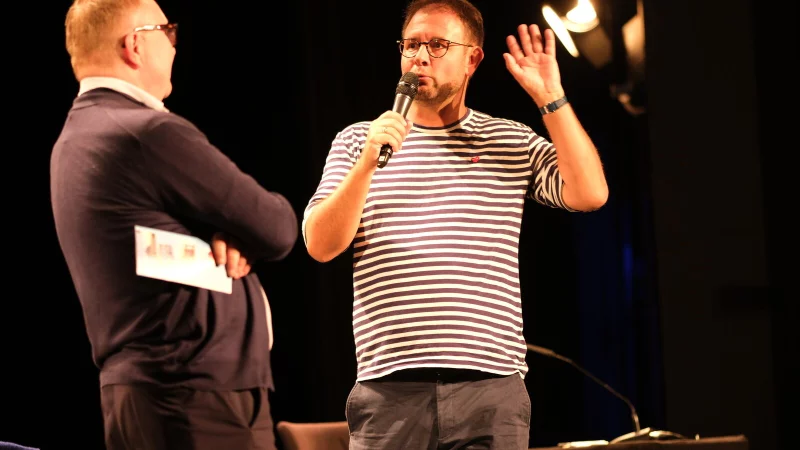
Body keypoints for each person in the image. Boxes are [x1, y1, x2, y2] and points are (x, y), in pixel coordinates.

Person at [302, 0, 608, 448]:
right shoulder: (357, 141)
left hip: (490, 385)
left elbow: (589, 193)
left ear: (473, 59)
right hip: (389, 388)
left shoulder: (509, 140)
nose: (420, 57)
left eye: (438, 45)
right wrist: (367, 163)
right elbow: (320, 245)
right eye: (411, 45)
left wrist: (551, 99)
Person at [50, 1, 298, 449]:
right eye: (166, 31)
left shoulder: (74, 139)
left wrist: (220, 232)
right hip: (199, 400)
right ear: (135, 44)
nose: (174, 44)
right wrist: (236, 232)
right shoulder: (147, 133)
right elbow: (277, 226)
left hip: (139, 396)